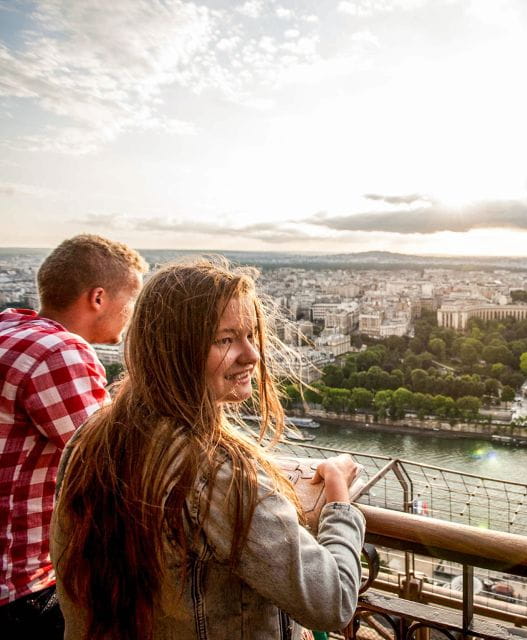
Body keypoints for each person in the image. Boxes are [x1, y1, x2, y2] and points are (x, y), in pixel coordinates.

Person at [52, 258, 365, 640]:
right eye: (225, 339)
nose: (252, 355)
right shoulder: (220, 474)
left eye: (250, 336)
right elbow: (331, 601)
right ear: (176, 350)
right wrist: (339, 501)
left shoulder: (92, 438)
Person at [0, 234, 147, 637]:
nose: (131, 314)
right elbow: (119, 461)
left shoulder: (9, 330)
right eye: (130, 302)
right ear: (98, 297)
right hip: (19, 588)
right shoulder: (58, 351)